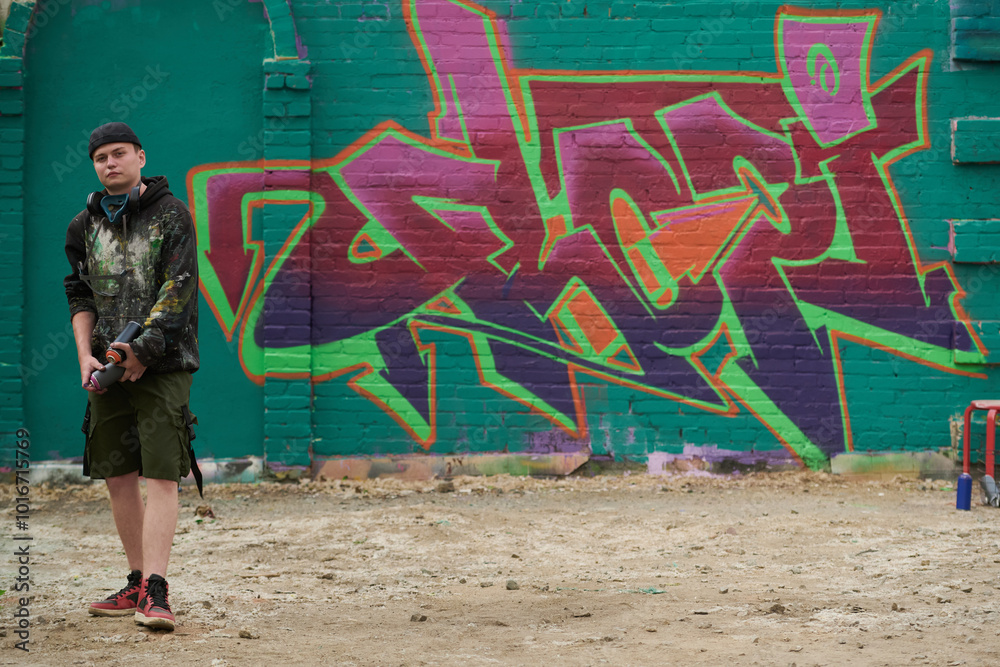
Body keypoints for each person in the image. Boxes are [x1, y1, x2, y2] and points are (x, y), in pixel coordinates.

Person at [64, 122, 200, 632]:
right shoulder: (84, 226)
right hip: (108, 371)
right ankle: (137, 581)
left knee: (162, 473)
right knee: (118, 474)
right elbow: (80, 297)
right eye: (101, 157)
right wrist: (87, 357)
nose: (110, 163)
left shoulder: (172, 215)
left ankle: (158, 592)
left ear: (141, 157)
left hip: (163, 367)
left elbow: (178, 291)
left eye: (119, 153)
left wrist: (140, 352)